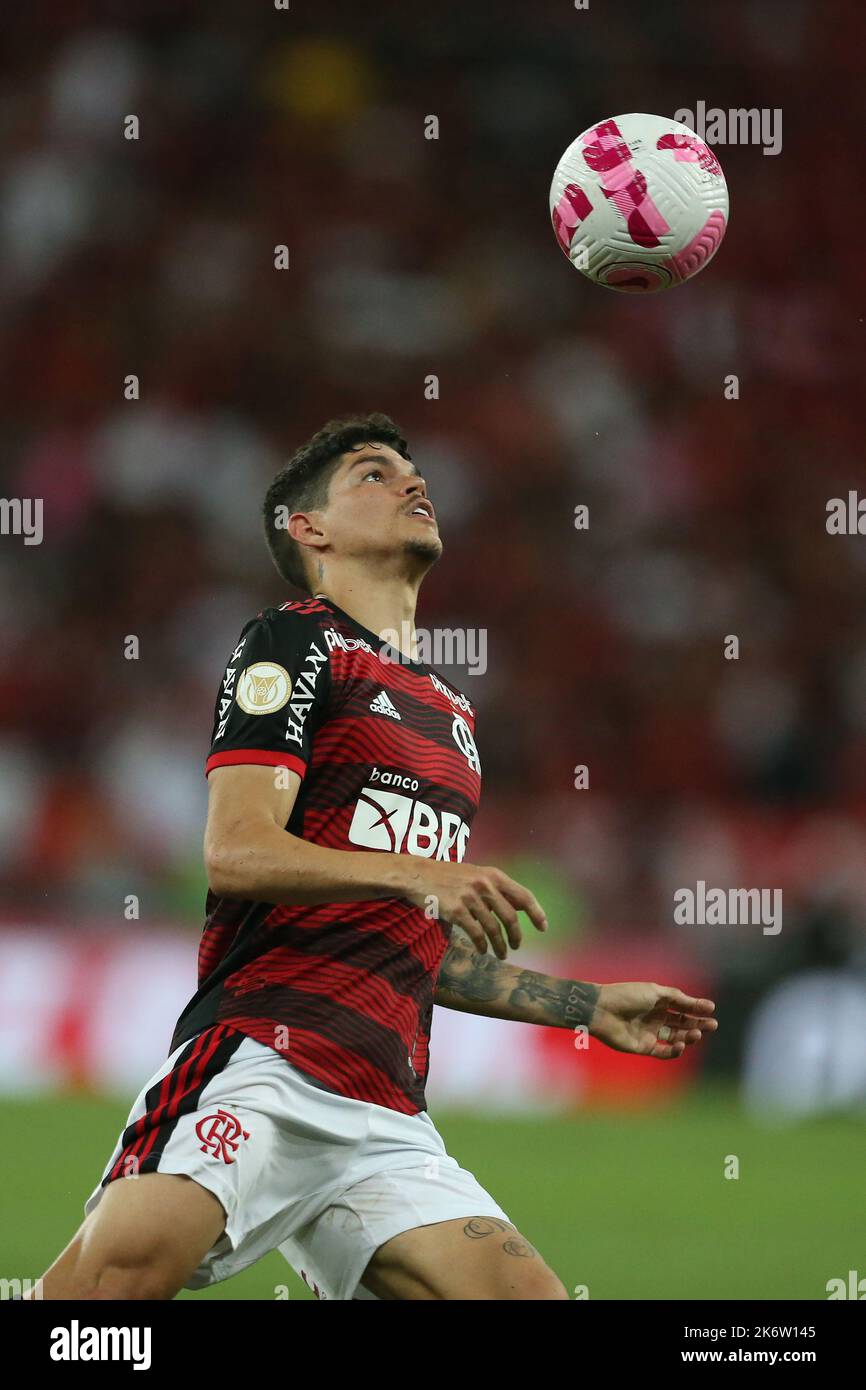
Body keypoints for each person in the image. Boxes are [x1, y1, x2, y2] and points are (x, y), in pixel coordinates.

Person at [34, 413, 717, 1301]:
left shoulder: (454, 717)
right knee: (104, 1302)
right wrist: (422, 873)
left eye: (412, 471)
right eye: (372, 474)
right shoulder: (292, 642)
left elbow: (408, 942)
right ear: (307, 528)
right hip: (265, 1061)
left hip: (384, 1113)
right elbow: (236, 852)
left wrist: (586, 1004)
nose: (410, 483)